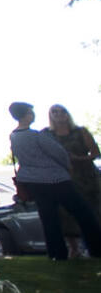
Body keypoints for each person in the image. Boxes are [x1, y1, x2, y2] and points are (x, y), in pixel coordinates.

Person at [8, 101, 101, 260]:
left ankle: (57, 253)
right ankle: (96, 248)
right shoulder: (37, 135)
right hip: (56, 179)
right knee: (83, 213)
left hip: (34, 182)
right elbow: (58, 153)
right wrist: (68, 166)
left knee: (49, 218)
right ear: (27, 115)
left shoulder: (14, 136)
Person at [44, 103, 101, 258]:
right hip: (62, 179)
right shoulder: (47, 135)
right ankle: (74, 249)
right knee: (65, 213)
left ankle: (95, 247)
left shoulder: (80, 132)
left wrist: (80, 159)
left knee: (92, 210)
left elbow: (95, 152)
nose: (59, 114)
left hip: (85, 177)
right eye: (54, 112)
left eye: (62, 111)